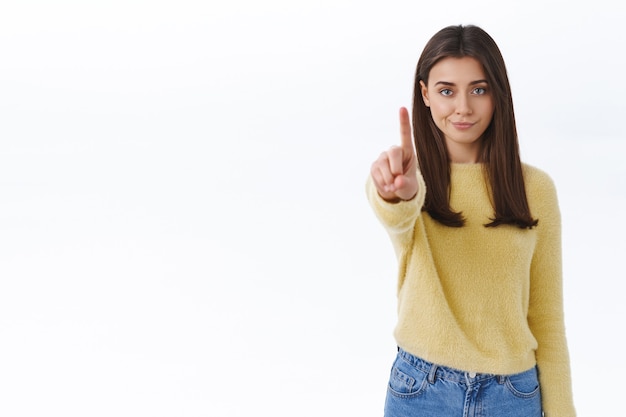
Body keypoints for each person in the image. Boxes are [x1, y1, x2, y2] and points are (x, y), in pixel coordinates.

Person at [367, 25, 576, 416]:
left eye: (478, 89)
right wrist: (399, 192)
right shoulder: (409, 181)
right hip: (421, 391)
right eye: (447, 90)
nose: (463, 106)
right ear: (426, 94)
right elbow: (395, 214)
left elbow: (547, 319)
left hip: (512, 396)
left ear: (498, 94)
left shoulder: (536, 189)